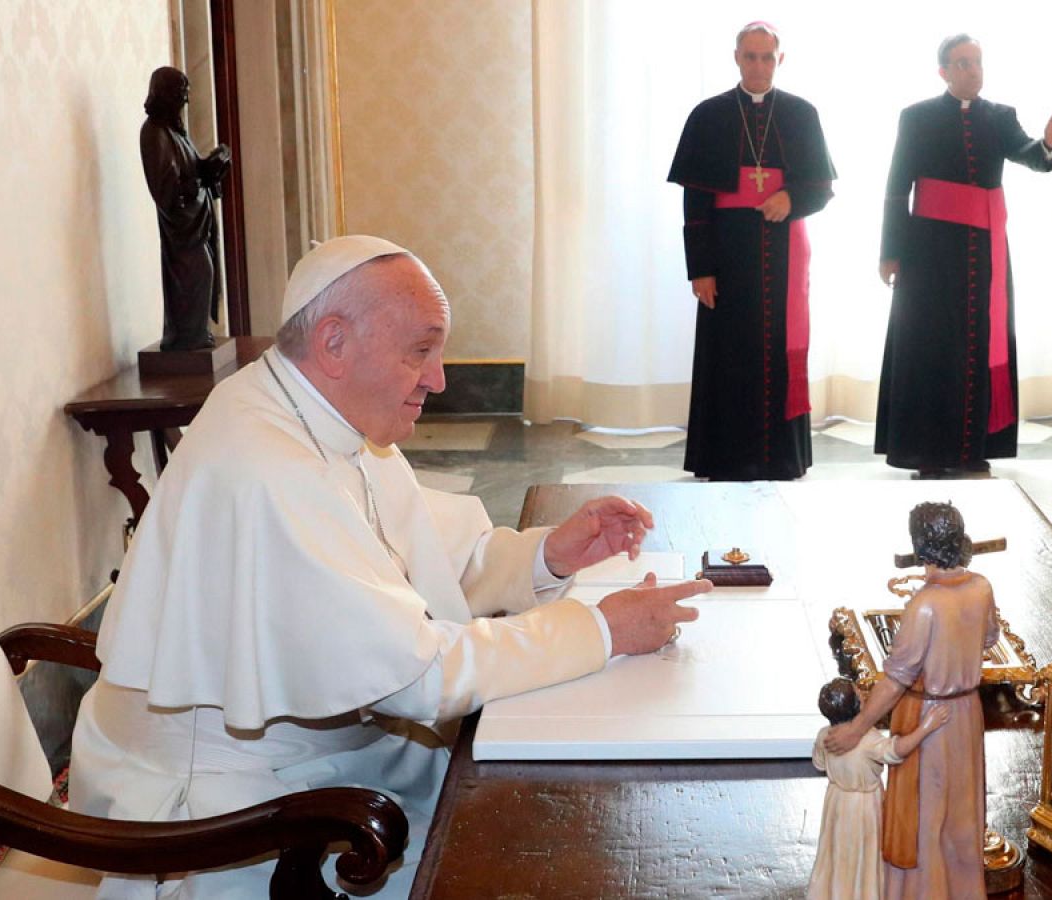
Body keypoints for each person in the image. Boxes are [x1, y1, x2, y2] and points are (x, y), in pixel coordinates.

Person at [69, 236, 712, 898]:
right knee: (540, 844)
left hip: (335, 754)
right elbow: (419, 675)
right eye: (421, 351)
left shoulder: (320, 414)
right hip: (235, 816)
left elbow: (421, 564)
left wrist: (547, 555)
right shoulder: (268, 466)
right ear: (334, 342)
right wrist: (600, 630)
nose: (438, 378)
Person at [874, 35, 1052, 479]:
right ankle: (927, 451)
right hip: (928, 252)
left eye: (977, 62)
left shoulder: (999, 116)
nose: (973, 70)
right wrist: (890, 253)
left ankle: (972, 447)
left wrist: (1048, 141)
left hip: (983, 253)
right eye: (963, 63)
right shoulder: (917, 117)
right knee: (930, 346)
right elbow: (897, 187)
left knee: (977, 344)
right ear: (944, 72)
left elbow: (1032, 157)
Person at [667, 21, 836, 481]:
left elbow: (821, 190)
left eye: (767, 56)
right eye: (750, 56)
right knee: (727, 355)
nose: (759, 65)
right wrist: (700, 269)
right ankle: (723, 457)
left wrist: (792, 199)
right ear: (737, 58)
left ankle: (782, 458)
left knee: (780, 352)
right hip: (727, 253)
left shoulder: (802, 114)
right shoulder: (709, 114)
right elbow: (695, 202)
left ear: (780, 59)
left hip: (783, 255)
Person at [824, 502, 999, 899]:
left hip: (927, 717)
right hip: (968, 712)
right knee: (963, 814)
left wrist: (856, 728)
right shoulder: (982, 586)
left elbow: (894, 680)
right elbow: (989, 639)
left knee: (925, 818)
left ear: (921, 546)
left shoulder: (924, 605)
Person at [808, 678, 948, 900]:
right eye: (860, 695)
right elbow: (897, 750)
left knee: (836, 852)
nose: (865, 695)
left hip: (836, 801)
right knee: (863, 853)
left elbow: (819, 763)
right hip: (864, 806)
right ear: (857, 706)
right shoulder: (867, 740)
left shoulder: (825, 735)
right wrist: (926, 727)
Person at [140, 66, 230, 352]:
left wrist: (212, 165)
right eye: (180, 94)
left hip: (196, 224)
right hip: (183, 230)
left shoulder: (175, 132)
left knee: (205, 273)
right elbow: (166, 190)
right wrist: (200, 178)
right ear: (164, 94)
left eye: (186, 94)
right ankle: (186, 337)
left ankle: (195, 333)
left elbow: (191, 170)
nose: (186, 101)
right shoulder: (154, 133)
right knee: (196, 273)